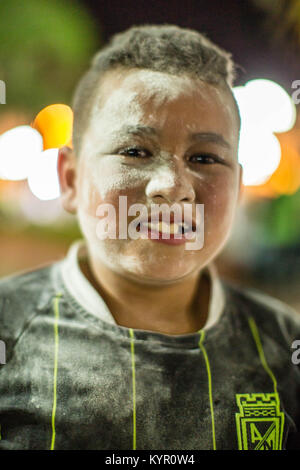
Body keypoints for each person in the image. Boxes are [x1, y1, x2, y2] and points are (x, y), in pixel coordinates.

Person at [0, 24, 299, 451]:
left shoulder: (283, 343)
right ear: (70, 178)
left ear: (237, 187)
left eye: (204, 158)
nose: (172, 185)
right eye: (135, 151)